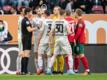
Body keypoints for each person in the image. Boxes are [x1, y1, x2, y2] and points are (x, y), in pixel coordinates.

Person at [46, 9, 75, 75]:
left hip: (57, 39)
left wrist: (50, 41)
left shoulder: (55, 22)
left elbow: (51, 32)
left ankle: (48, 69)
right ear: (64, 14)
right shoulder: (65, 22)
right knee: (69, 54)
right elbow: (69, 32)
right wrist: (72, 32)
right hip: (64, 39)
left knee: (55, 55)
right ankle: (70, 70)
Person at [74, 9, 90, 75]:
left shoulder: (80, 22)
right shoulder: (79, 21)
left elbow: (79, 32)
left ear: (77, 13)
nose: (74, 14)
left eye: (75, 13)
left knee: (81, 55)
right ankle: (75, 70)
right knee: (76, 55)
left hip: (80, 40)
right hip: (78, 40)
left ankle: (87, 70)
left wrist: (75, 39)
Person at [37, 10, 53, 75]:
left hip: (43, 40)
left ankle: (40, 68)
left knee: (40, 54)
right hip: (49, 41)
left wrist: (38, 40)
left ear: (45, 15)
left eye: (43, 14)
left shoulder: (44, 22)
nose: (43, 15)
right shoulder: (53, 22)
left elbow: (41, 32)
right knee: (49, 56)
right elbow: (53, 33)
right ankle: (48, 69)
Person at [21, 8, 36, 75]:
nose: (31, 13)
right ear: (27, 13)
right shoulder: (26, 20)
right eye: (31, 12)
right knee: (26, 55)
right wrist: (37, 28)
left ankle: (22, 71)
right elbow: (29, 30)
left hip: (25, 38)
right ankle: (25, 71)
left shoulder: (25, 20)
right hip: (27, 39)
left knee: (24, 55)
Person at [51, 6, 65, 74]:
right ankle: (55, 70)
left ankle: (61, 70)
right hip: (55, 39)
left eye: (55, 10)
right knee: (54, 54)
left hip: (61, 39)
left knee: (60, 54)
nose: (54, 11)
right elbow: (52, 31)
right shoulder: (53, 18)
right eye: (53, 10)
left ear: (59, 11)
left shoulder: (62, 19)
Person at [32, 7, 43, 72]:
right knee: (36, 52)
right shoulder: (34, 19)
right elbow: (33, 28)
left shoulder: (44, 19)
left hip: (43, 38)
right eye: (38, 10)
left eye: (40, 10)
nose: (39, 12)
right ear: (36, 11)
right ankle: (38, 69)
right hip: (36, 38)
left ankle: (44, 68)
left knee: (44, 53)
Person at [16, 7, 25, 75]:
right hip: (21, 37)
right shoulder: (21, 19)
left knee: (22, 54)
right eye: (24, 11)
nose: (25, 12)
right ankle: (18, 70)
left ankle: (20, 70)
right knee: (20, 54)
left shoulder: (22, 18)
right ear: (21, 12)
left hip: (22, 37)